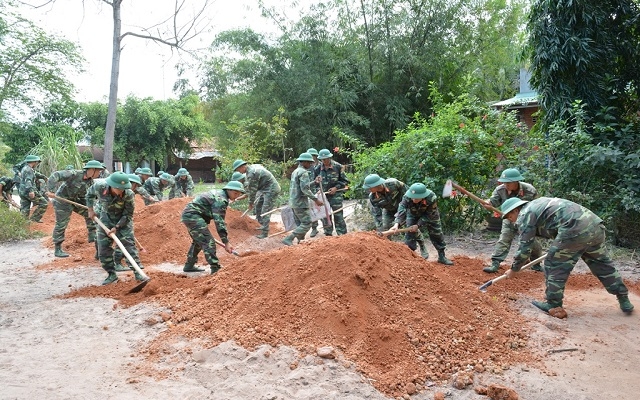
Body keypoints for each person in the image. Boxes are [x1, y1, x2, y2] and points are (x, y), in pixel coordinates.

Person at [501, 197, 634, 314]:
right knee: (602, 264)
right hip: (595, 226)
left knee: (553, 264)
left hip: (574, 229)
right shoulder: (537, 204)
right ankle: (624, 299)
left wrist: (514, 269)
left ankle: (553, 305)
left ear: (515, 210)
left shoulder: (525, 214)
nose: (511, 221)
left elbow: (525, 248)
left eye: (509, 217)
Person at [86, 172, 145, 285]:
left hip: (123, 222)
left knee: (129, 246)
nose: (121, 191)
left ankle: (138, 274)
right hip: (105, 220)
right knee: (103, 249)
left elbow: (128, 214)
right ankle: (111, 274)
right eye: (118, 188)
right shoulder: (100, 187)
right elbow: (89, 194)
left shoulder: (129, 194)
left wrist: (117, 227)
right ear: (111, 185)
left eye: (123, 188)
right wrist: (90, 210)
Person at [482, 168, 543, 273]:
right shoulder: (500, 190)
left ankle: (536, 264)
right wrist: (488, 203)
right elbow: (493, 202)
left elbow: (537, 207)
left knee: (532, 242)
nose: (506, 185)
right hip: (509, 218)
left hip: (526, 220)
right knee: (504, 239)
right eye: (504, 183)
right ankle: (495, 263)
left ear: (516, 181)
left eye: (508, 183)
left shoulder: (529, 190)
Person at [180, 180, 245, 274]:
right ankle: (215, 268)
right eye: (235, 193)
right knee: (208, 242)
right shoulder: (221, 200)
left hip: (191, 215)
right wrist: (226, 242)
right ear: (229, 190)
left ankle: (189, 265)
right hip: (193, 216)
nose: (236, 196)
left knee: (199, 241)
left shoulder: (221, 195)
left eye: (238, 194)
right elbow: (219, 222)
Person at [45, 160, 104, 257]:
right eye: (98, 171)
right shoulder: (74, 174)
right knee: (61, 223)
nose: (99, 173)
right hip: (62, 200)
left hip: (77, 200)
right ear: (92, 170)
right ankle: (58, 248)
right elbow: (55, 175)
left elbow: (91, 196)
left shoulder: (90, 182)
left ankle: (93, 238)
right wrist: (51, 190)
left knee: (91, 214)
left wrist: (93, 208)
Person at [389, 183, 454, 265]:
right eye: (412, 197)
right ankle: (410, 259)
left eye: (416, 198)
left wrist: (418, 225)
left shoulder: (431, 197)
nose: (413, 200)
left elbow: (429, 215)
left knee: (437, 234)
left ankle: (442, 257)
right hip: (412, 213)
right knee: (409, 236)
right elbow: (402, 209)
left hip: (431, 215)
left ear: (423, 196)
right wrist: (397, 224)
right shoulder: (407, 196)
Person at [281, 153, 324, 246]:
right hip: (300, 203)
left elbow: (302, 186)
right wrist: (316, 199)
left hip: (293, 202)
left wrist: (314, 182)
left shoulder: (296, 171)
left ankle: (300, 242)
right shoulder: (303, 172)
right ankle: (289, 238)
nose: (311, 165)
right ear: (304, 162)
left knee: (300, 224)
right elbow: (305, 189)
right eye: (309, 163)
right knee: (307, 223)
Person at [232, 159, 281, 239]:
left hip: (271, 189)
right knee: (258, 206)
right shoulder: (250, 170)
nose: (238, 172)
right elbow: (250, 191)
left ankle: (265, 232)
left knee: (266, 210)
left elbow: (252, 192)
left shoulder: (252, 173)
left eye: (238, 169)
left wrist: (250, 204)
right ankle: (261, 224)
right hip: (264, 188)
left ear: (242, 166)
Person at [313, 148, 349, 236]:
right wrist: (318, 189)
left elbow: (345, 181)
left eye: (326, 159)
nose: (324, 161)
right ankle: (328, 234)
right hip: (324, 196)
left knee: (338, 215)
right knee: (325, 215)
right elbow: (314, 183)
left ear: (330, 158)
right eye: (322, 159)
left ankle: (342, 234)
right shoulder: (317, 169)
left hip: (336, 196)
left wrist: (336, 188)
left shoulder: (338, 167)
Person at [18, 155, 49, 223]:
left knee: (25, 207)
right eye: (37, 162)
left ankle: (22, 223)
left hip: (22, 191)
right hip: (28, 191)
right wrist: (31, 191)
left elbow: (35, 174)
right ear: (34, 162)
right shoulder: (29, 170)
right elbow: (28, 180)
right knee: (44, 203)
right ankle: (34, 219)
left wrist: (44, 177)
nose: (38, 163)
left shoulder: (26, 168)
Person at [306, 148, 322, 237]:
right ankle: (314, 228)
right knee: (312, 210)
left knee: (322, 208)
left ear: (316, 156)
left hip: (320, 190)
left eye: (312, 156)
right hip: (311, 190)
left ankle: (327, 227)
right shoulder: (307, 166)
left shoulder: (321, 165)